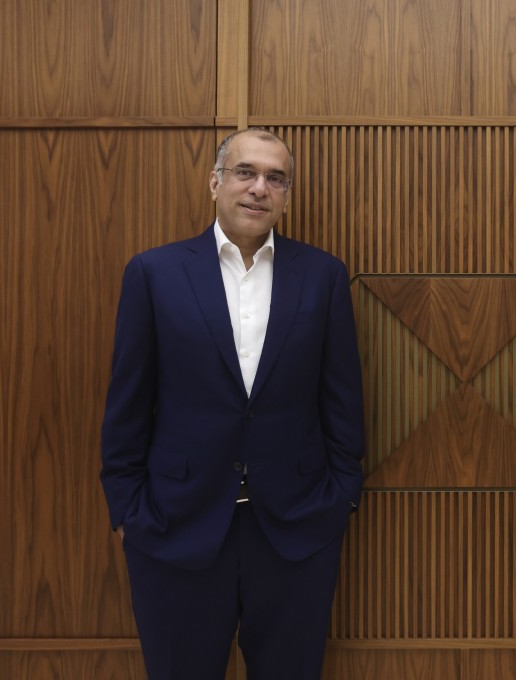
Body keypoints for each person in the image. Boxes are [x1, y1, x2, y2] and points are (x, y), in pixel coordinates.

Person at [100, 127, 364, 680]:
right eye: (245, 172)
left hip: (295, 530)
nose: (259, 188)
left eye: (276, 178)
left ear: (286, 195)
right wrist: (127, 511)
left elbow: (342, 401)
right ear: (215, 183)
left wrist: (340, 498)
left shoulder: (323, 276)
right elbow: (128, 404)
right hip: (176, 526)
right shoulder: (154, 273)